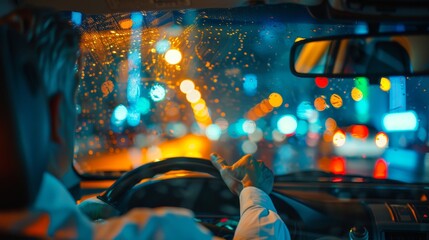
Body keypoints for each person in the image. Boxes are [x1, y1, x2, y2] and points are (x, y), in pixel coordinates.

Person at [0, 9, 290, 239]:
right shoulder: (163, 233)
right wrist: (254, 193)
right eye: (73, 106)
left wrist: (78, 211)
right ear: (55, 117)